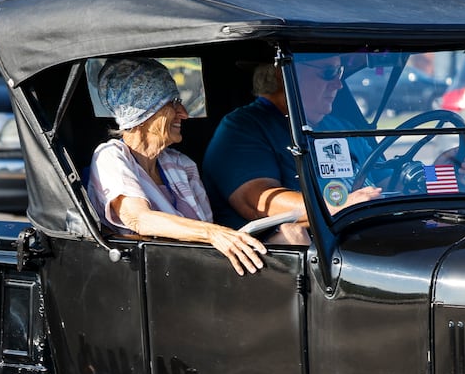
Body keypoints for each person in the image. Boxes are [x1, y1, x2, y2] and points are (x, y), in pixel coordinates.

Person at [86, 56, 267, 276]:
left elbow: (205, 233)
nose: (184, 113)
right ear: (144, 112)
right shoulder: (111, 157)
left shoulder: (181, 164)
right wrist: (211, 233)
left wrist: (217, 236)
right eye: (172, 103)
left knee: (290, 235)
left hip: (196, 270)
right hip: (149, 276)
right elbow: (139, 219)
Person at [203, 57, 380, 235]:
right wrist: (338, 207)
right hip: (311, 249)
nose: (338, 84)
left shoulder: (340, 127)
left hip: (364, 233)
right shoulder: (243, 128)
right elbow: (259, 202)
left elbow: (386, 178)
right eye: (329, 73)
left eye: (339, 72)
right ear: (284, 74)